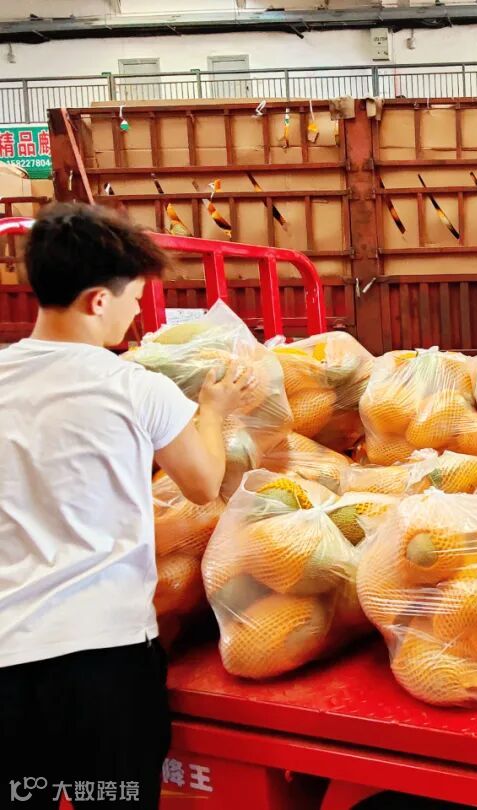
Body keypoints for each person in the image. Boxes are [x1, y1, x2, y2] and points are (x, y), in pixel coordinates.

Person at [0, 203, 255, 809]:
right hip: (104, 662)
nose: (137, 311)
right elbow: (202, 484)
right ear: (97, 301)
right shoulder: (135, 386)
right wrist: (212, 411)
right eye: (134, 298)